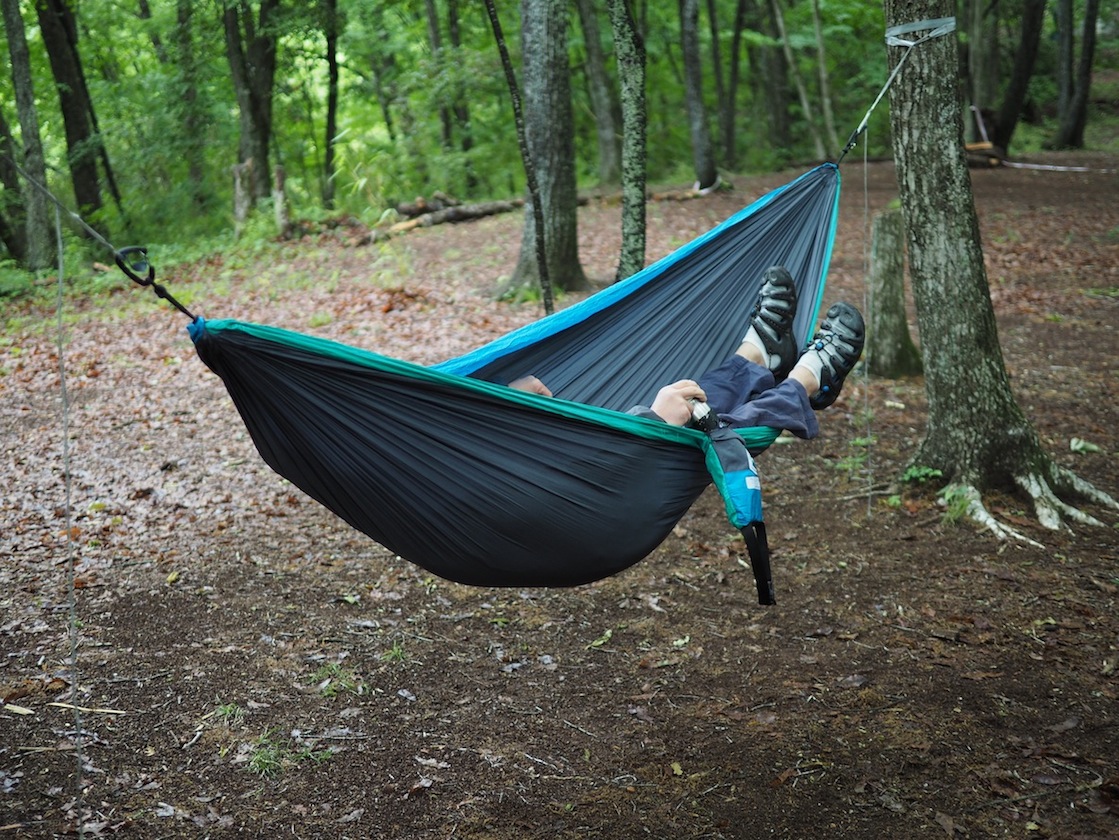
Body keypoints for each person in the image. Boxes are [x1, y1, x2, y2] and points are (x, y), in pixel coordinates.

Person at [508, 266, 865, 439]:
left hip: (593, 450)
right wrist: (655, 422)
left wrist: (532, 414)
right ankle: (807, 381)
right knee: (710, 432)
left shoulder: (467, 440)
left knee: (693, 397)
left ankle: (757, 356)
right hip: (619, 477)